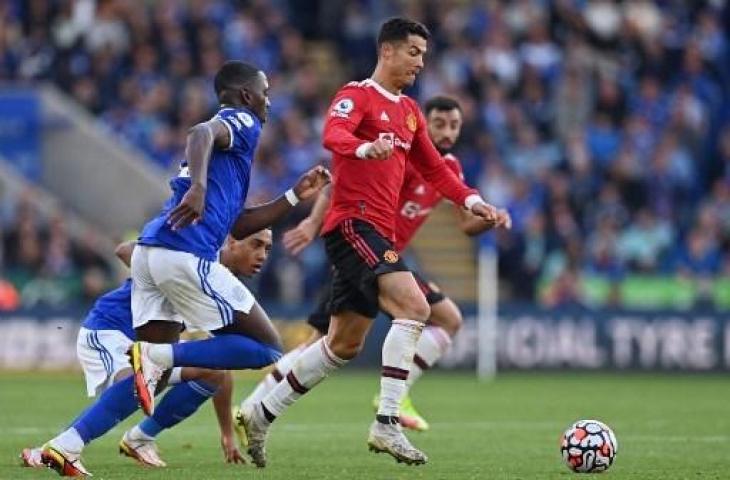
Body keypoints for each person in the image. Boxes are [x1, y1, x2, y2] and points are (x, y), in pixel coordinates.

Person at [237, 18, 509, 467]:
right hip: (352, 224)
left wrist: (474, 200)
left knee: (342, 345)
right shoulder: (356, 95)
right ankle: (386, 423)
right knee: (417, 308)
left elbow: (438, 171)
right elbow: (333, 135)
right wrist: (365, 149)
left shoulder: (409, 113)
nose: (421, 62)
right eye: (414, 52)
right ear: (387, 51)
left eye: (424, 54)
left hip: (377, 233)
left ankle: (260, 412)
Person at [125, 60, 329, 419]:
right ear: (247, 95)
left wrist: (295, 195)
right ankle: (154, 362)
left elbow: (240, 224)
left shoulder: (228, 160)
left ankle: (68, 444)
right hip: (185, 252)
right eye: (265, 93)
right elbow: (199, 132)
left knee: (151, 378)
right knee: (265, 348)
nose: (269, 101)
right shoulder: (243, 120)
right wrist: (200, 187)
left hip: (151, 251)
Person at [20, 230, 273, 476]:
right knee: (137, 384)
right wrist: (158, 273)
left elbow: (222, 359)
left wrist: (227, 434)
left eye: (267, 249)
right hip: (109, 331)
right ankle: (55, 450)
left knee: (212, 372)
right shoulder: (195, 257)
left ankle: (139, 438)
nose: (262, 255)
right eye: (255, 244)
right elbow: (125, 250)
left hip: (147, 350)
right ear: (231, 241)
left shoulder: (222, 288)